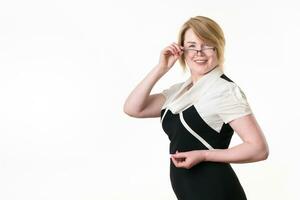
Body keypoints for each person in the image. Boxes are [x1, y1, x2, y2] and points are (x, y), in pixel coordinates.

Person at [123, 16, 269, 200]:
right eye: (192, 45)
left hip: (216, 191)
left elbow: (258, 149)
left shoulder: (224, 90)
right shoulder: (179, 92)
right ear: (182, 50)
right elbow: (133, 108)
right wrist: (161, 68)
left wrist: (203, 155)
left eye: (207, 45)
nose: (199, 52)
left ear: (219, 48)